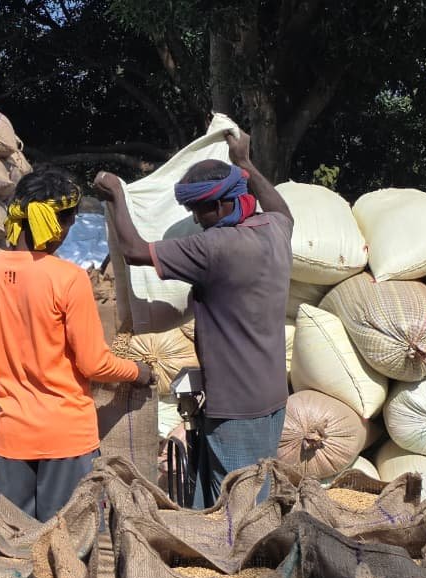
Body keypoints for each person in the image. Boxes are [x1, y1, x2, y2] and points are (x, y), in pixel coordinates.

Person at [94, 129, 292, 504]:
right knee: (253, 491)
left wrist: (118, 194)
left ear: (222, 204)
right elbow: (281, 208)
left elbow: (134, 251)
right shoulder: (275, 229)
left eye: (199, 210)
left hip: (236, 406)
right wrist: (244, 162)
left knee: (238, 506)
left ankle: (248, 544)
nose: (196, 219)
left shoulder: (215, 247)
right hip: (271, 397)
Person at [0, 165, 152, 521]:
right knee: (70, 538)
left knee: (15, 540)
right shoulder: (69, 279)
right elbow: (94, 364)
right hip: (66, 438)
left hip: (11, 438)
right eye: (70, 222)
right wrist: (138, 371)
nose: (69, 231)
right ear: (56, 223)